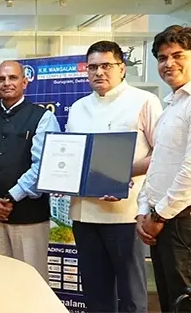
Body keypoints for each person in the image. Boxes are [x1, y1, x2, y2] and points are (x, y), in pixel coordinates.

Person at [65, 41, 162, 313]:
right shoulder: (78, 107)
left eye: (106, 65)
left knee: (131, 292)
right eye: (92, 67)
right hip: (84, 213)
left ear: (122, 68)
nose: (99, 72)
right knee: (95, 292)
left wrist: (121, 172)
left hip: (125, 214)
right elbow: (73, 156)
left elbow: (162, 155)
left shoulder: (144, 101)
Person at [0, 60, 60, 280]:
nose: (7, 83)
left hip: (30, 217)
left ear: (24, 82)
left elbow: (43, 165)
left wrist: (10, 198)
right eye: (1, 79)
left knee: (31, 281)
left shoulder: (43, 117)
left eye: (13, 78)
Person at [136, 25, 191, 313]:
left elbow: (189, 171)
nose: (169, 63)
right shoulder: (172, 106)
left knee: (183, 302)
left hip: (181, 221)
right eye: (162, 57)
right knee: (170, 300)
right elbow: (158, 163)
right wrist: (143, 210)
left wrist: (158, 215)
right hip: (162, 220)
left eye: (178, 55)